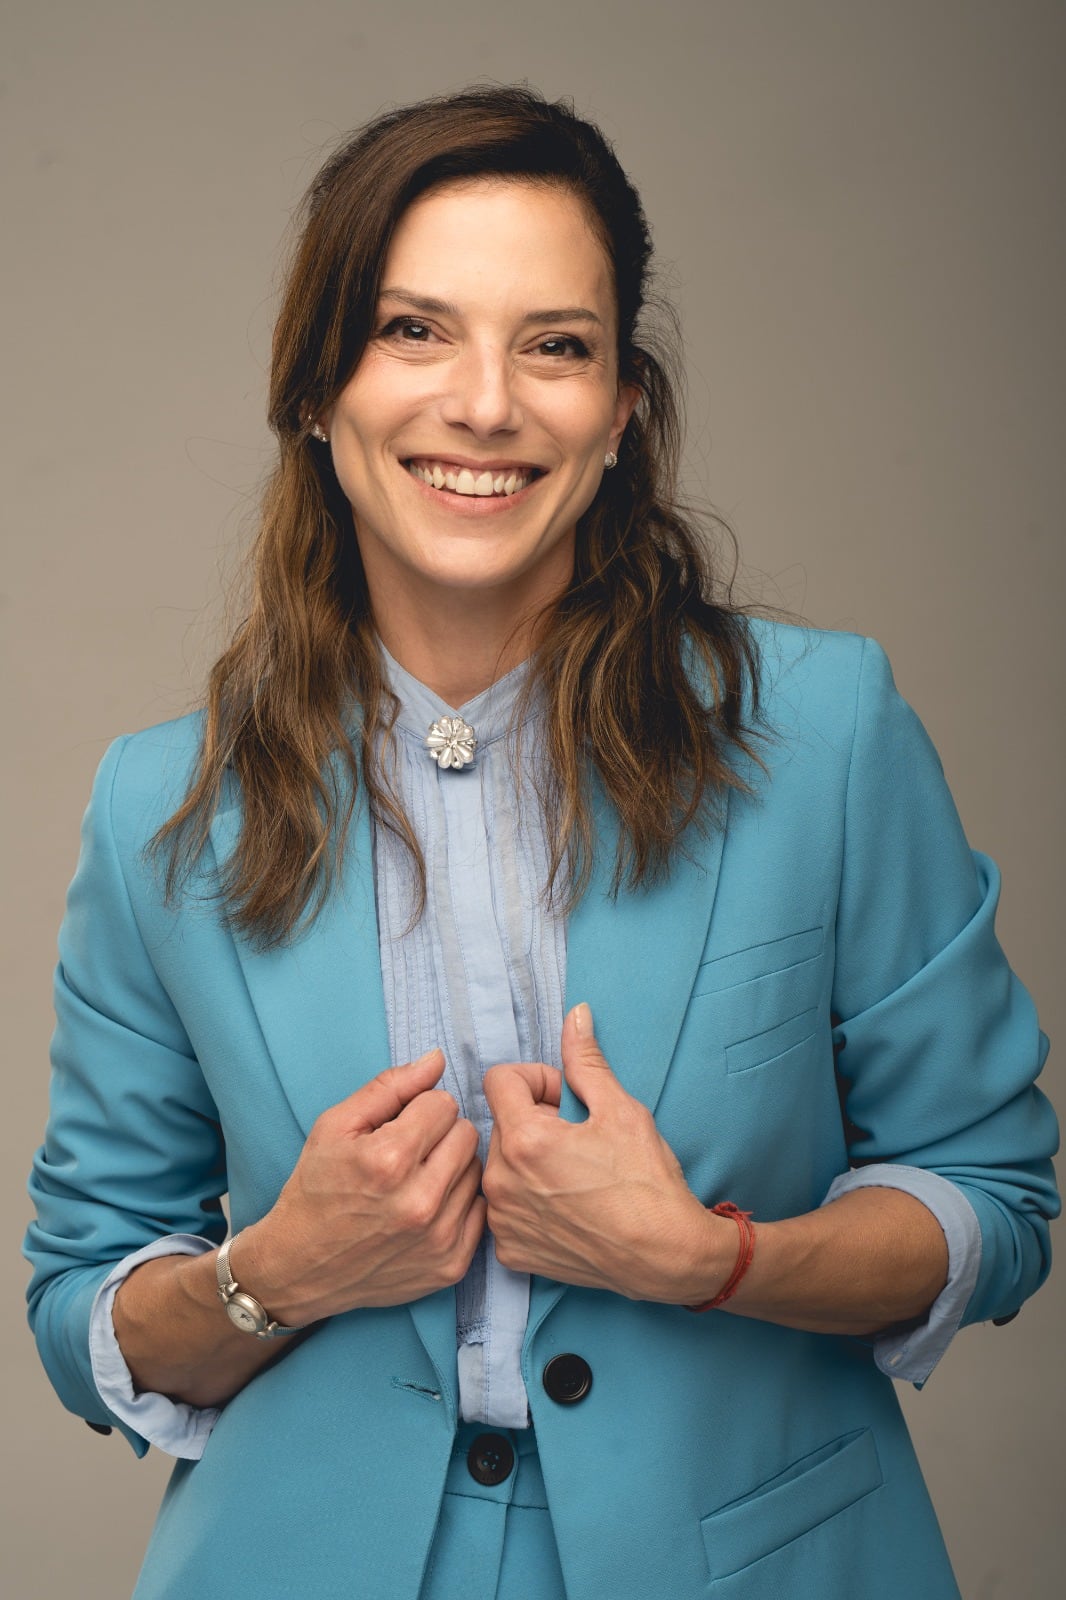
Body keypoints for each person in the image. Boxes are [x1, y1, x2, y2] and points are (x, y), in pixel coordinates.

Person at [24, 85, 1058, 1600]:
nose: (487, 403)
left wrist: (714, 1258)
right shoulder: (155, 807)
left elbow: (995, 1198)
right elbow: (81, 1305)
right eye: (413, 331)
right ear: (316, 391)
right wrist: (281, 1272)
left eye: (555, 344)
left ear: (621, 406)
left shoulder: (825, 733)